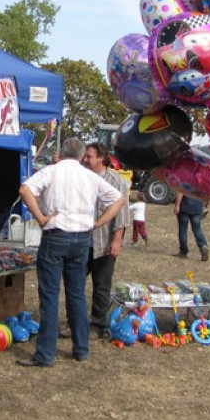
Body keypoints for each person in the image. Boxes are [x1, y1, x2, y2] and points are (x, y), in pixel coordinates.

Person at [16, 137, 125, 367]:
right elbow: (118, 199)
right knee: (76, 296)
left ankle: (46, 354)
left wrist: (42, 218)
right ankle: (81, 349)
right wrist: (98, 222)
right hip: (82, 238)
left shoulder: (52, 171)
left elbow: (25, 190)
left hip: (56, 236)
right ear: (81, 155)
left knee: (50, 296)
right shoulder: (90, 176)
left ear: (62, 153)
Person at [83, 142, 130, 338]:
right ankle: (74, 322)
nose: (85, 160)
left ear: (101, 158)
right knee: (75, 283)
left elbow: (122, 214)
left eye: (89, 157)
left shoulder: (116, 181)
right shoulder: (83, 177)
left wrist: (116, 241)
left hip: (103, 243)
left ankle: (98, 325)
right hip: (82, 242)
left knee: (101, 286)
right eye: (85, 156)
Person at [174, 191, 209, 261]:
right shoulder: (201, 180)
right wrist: (205, 204)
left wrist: (177, 205)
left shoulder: (185, 180)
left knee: (183, 229)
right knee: (197, 229)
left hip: (185, 206)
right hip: (197, 207)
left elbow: (180, 191)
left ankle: (183, 251)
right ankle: (203, 245)